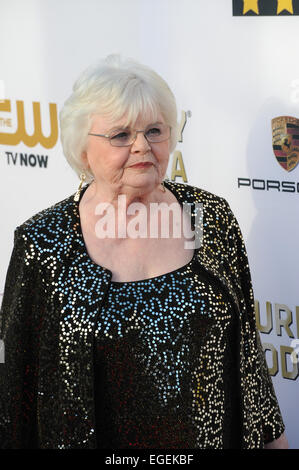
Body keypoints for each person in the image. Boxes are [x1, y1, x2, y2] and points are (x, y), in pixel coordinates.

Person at [0, 55, 288, 449]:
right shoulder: (44, 244)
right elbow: (16, 392)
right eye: (120, 135)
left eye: (154, 130)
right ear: (83, 150)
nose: (142, 146)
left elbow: (248, 358)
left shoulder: (210, 218)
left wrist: (274, 441)